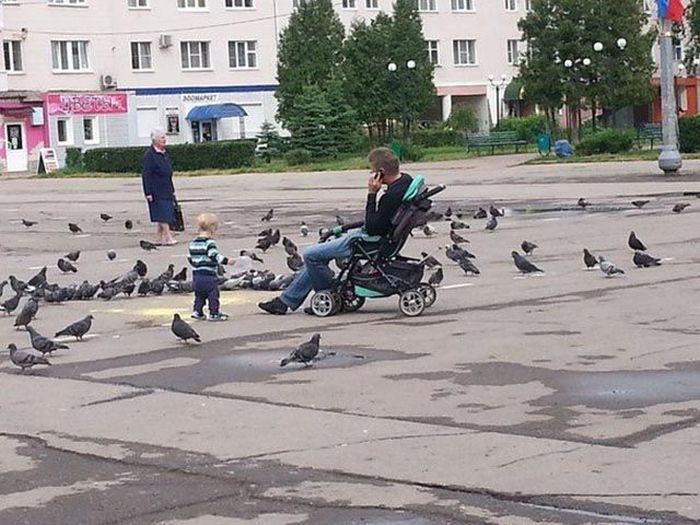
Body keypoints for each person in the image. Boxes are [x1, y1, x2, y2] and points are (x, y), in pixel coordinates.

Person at [258, 147, 412, 316]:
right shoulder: (406, 181)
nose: (371, 174)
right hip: (384, 238)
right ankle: (284, 302)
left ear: (381, 172)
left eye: (373, 171)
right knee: (316, 256)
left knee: (311, 255)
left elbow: (372, 227)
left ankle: (329, 293)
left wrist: (372, 194)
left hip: (369, 242)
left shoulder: (390, 197)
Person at [188, 213, 230, 322]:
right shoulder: (210, 243)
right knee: (213, 294)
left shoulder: (192, 243)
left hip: (196, 275)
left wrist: (197, 264)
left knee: (199, 295)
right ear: (212, 229)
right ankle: (214, 313)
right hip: (208, 274)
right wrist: (227, 261)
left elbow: (190, 257)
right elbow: (213, 255)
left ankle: (197, 311)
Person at [142, 128, 177, 246]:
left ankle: (158, 238)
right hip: (155, 190)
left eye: (164, 137)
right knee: (163, 215)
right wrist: (147, 192)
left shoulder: (164, 153)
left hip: (166, 189)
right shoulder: (150, 155)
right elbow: (146, 175)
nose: (164, 139)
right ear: (155, 140)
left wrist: (172, 190)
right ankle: (168, 237)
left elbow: (168, 174)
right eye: (162, 137)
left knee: (163, 213)